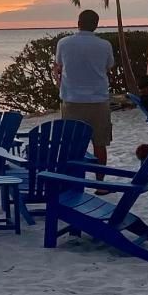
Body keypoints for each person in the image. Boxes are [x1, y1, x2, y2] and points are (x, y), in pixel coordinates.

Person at [53, 10, 115, 177]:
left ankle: (74, 179)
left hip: (72, 100)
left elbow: (59, 65)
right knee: (99, 144)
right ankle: (100, 183)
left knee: (72, 144)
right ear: (96, 25)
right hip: (98, 100)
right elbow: (109, 66)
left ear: (78, 22)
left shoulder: (64, 43)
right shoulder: (105, 45)